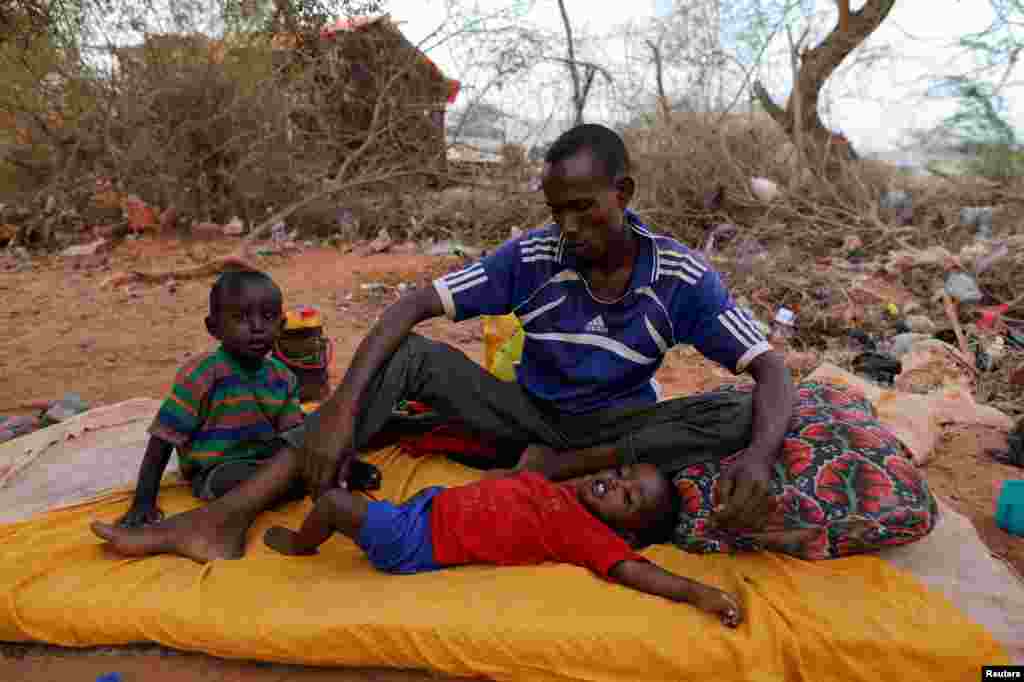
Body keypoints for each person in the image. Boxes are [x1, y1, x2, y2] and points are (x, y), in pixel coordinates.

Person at [90, 123, 794, 562]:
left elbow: (771, 371)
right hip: (527, 413)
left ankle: (559, 464)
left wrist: (760, 455)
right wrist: (338, 411)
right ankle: (223, 519)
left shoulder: (681, 275)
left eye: (585, 209)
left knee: (736, 411)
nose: (570, 229)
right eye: (558, 213)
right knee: (408, 356)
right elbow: (414, 305)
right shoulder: (534, 255)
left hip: (615, 429)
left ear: (624, 192)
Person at [264, 459, 743, 628]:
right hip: (424, 511)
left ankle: (300, 545)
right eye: (619, 476)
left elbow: (636, 571)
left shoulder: (587, 534)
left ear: (628, 532)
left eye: (627, 496)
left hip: (413, 539)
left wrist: (698, 593)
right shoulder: (571, 493)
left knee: (331, 502)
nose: (612, 484)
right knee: (348, 488)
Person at [113, 270, 306, 528]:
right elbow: (162, 440)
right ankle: (274, 487)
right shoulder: (203, 375)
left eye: (268, 317)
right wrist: (143, 502)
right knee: (257, 480)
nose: (257, 327)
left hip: (267, 462)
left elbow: (292, 434)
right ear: (213, 328)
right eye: (241, 318)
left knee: (309, 454)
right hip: (216, 471)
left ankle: (282, 485)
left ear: (281, 326)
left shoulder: (283, 378)